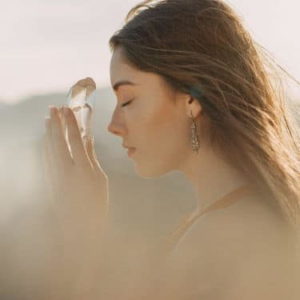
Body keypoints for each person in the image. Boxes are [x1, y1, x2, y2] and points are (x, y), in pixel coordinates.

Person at [44, 0, 300, 299]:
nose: (113, 125)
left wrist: (84, 235)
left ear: (191, 99)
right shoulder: (243, 215)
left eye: (127, 100)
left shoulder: (217, 240)